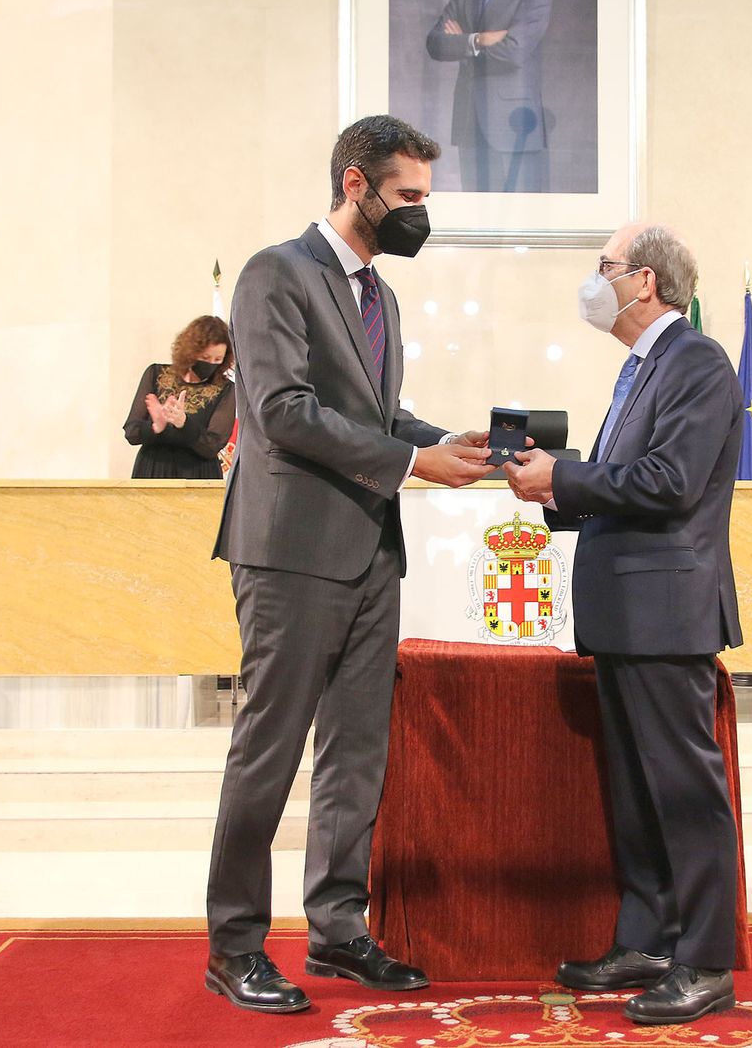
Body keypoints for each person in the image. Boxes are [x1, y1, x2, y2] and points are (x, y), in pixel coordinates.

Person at [205, 115, 494, 1015]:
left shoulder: (382, 297)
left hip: (371, 550)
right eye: (409, 197)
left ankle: (338, 932)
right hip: (289, 550)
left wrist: (447, 441)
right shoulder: (274, 275)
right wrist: (411, 465)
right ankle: (235, 946)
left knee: (356, 753)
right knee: (270, 750)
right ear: (357, 185)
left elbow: (377, 411)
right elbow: (284, 410)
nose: (420, 214)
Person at [505, 223, 743, 1026]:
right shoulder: (642, 367)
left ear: (644, 281)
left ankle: (705, 960)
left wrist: (563, 477)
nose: (593, 280)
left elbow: (671, 482)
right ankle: (647, 940)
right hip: (628, 608)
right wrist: (553, 485)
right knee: (638, 792)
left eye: (603, 267)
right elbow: (627, 484)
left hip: (666, 611)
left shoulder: (697, 361)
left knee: (683, 790)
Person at [424, 0, 553, 193]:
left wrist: (462, 43)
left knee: (521, 215)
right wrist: (479, 39)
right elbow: (435, 43)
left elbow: (514, 52)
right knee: (475, 214)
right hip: (469, 121)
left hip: (514, 126)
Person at [123, 316, 236, 479]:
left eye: (217, 359)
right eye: (205, 358)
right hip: (153, 471)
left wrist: (184, 424)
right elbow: (131, 433)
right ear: (190, 351)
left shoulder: (225, 389)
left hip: (198, 474)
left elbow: (212, 445)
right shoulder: (155, 374)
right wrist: (156, 427)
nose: (211, 364)